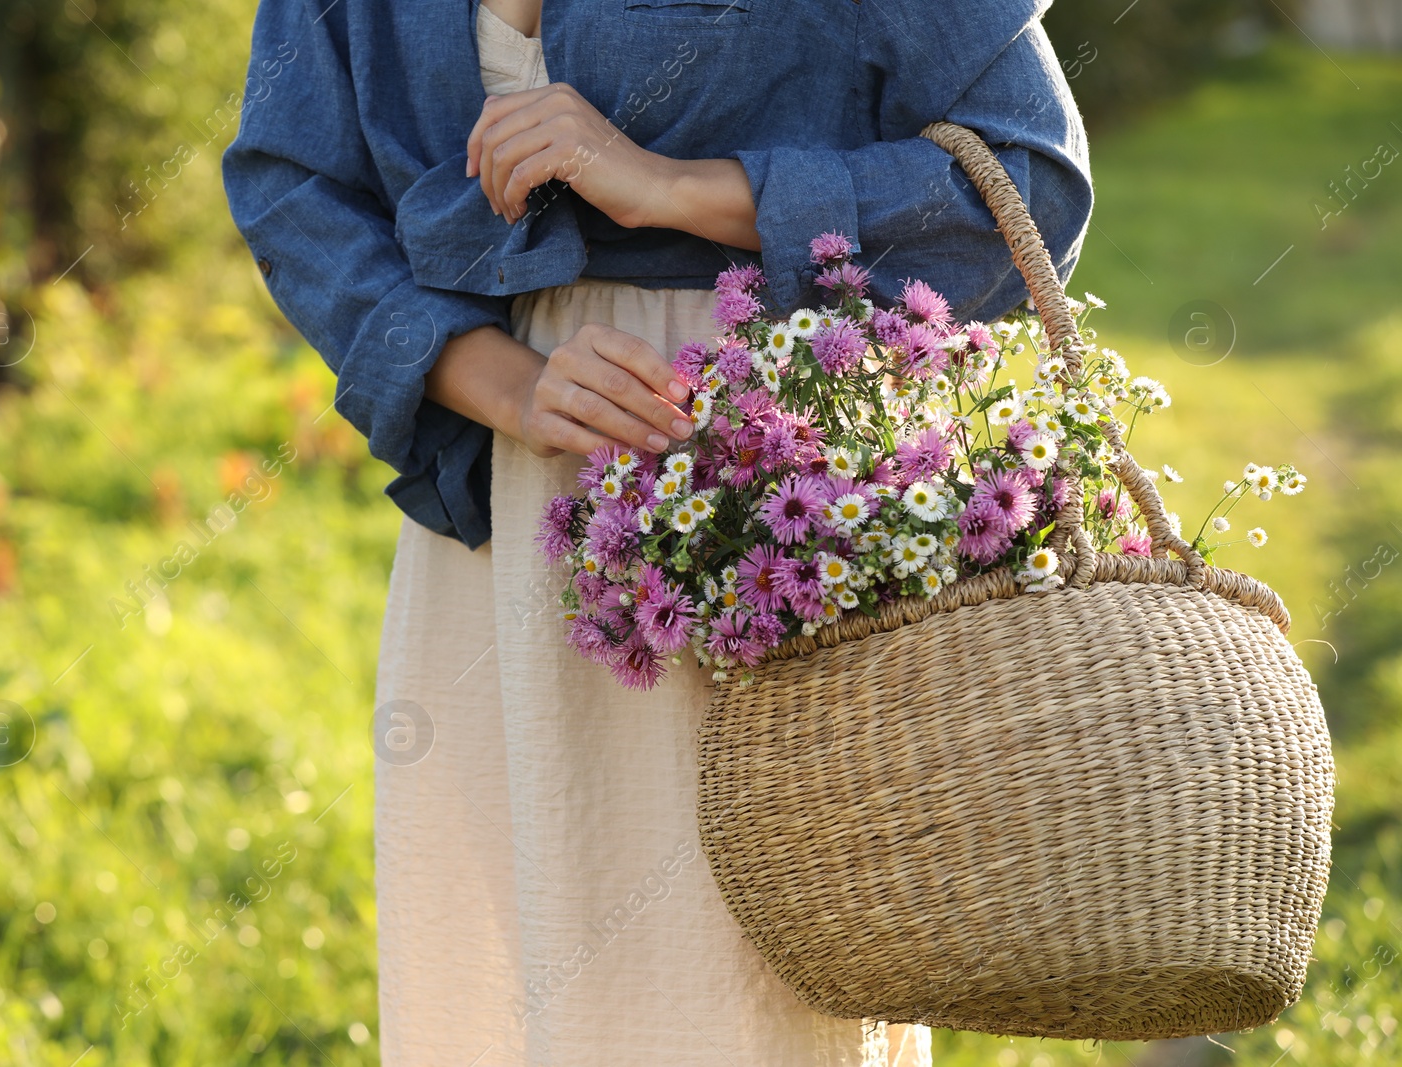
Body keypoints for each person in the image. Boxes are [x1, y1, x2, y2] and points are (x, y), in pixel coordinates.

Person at [223, 1, 1092, 1063]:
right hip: (501, 508)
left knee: (749, 992)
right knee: (503, 982)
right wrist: (506, 383)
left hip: (777, 503)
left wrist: (669, 185)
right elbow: (292, 183)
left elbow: (1028, 189)